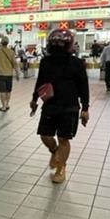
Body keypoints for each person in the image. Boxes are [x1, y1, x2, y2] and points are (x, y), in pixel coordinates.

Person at [29, 30, 90, 184]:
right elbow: (40, 82)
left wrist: (85, 108)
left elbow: (84, 87)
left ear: (68, 45)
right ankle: (55, 151)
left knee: (63, 139)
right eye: (54, 43)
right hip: (50, 105)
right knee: (45, 136)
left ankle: (61, 168)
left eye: (61, 43)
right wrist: (34, 99)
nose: (57, 45)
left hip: (70, 107)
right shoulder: (45, 62)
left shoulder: (77, 63)